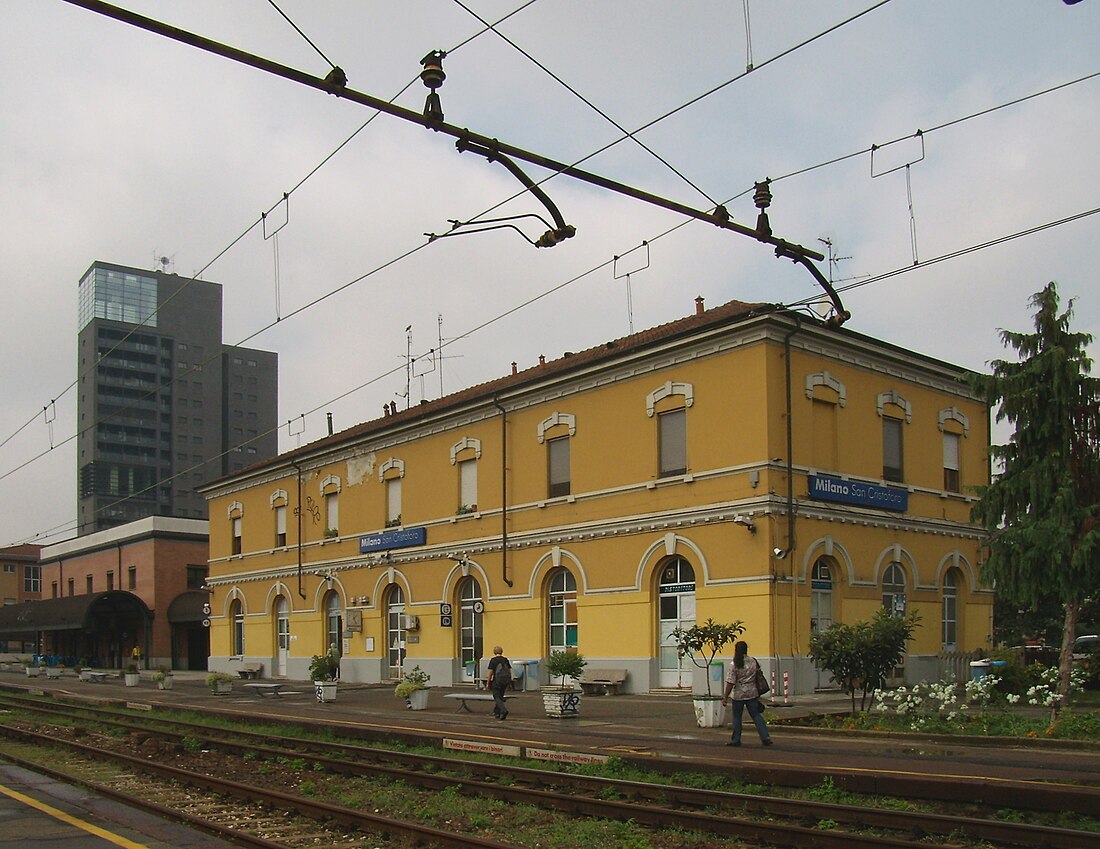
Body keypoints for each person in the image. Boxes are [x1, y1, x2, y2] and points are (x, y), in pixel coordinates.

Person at [721, 640, 773, 747]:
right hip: (752, 692)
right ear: (746, 650)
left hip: (738, 694)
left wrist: (725, 697)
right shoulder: (753, 661)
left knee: (737, 717)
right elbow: (757, 677)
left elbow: (730, 682)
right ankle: (765, 737)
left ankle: (736, 740)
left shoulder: (734, 664)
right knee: (756, 715)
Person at [485, 645, 512, 720]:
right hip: (505, 681)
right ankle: (497, 713)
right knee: (500, 696)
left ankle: (503, 710)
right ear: (501, 651)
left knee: (496, 697)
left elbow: (490, 672)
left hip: (497, 681)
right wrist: (509, 682)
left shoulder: (493, 660)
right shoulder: (505, 660)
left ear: (494, 652)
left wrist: (488, 683)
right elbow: (509, 670)